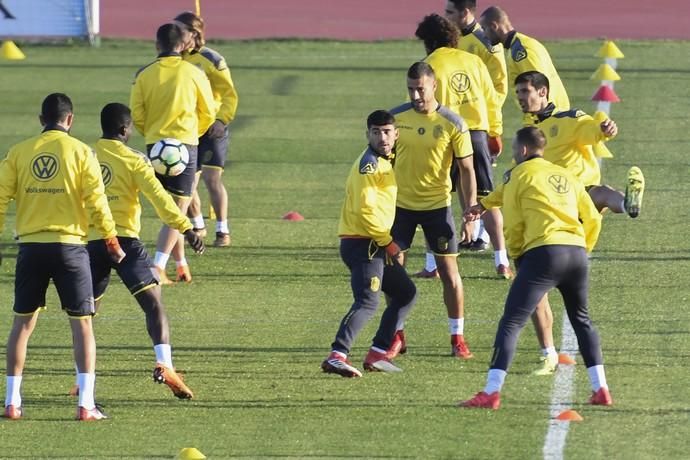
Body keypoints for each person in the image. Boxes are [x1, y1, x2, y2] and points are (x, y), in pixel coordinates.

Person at [482, 70, 645, 375]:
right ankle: (551, 355)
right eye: (517, 93)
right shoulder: (530, 130)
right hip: (555, 215)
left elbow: (591, 128)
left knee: (597, 191)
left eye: (525, 92)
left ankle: (627, 203)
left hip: (571, 200)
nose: (520, 98)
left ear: (544, 92)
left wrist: (604, 128)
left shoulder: (568, 120)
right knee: (552, 298)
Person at [460, 126, 613, 409]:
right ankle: (601, 388)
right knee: (582, 320)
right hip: (577, 253)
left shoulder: (519, 175)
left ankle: (491, 392)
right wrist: (584, 248)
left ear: (522, 150)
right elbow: (592, 216)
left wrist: (518, 255)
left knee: (512, 322)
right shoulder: (566, 175)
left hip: (543, 254)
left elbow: (514, 222)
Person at [0, 93, 123, 421]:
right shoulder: (83, 152)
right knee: (82, 326)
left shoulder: (19, 152)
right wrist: (111, 240)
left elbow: (0, 199)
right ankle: (86, 405)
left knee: (22, 326)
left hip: (31, 249)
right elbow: (98, 201)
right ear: (70, 120)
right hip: (70, 248)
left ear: (41, 120)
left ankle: (12, 403)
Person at [88, 102, 205, 399]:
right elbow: (161, 200)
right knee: (154, 304)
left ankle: (83, 380)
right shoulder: (134, 160)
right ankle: (165, 364)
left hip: (89, 243)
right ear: (125, 130)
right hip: (125, 242)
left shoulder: (84, 156)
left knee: (86, 315)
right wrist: (187, 228)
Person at [387, 62, 477, 359]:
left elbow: (466, 170)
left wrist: (470, 213)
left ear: (433, 86)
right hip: (400, 209)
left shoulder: (453, 123)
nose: (415, 95)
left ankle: (457, 338)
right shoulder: (396, 118)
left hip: (438, 209)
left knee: (449, 274)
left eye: (420, 89)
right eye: (410, 89)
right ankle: (396, 335)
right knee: (393, 273)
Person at [413, 13, 512, 280]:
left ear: (429, 41)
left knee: (435, 199)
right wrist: (495, 133)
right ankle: (501, 260)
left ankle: (433, 265)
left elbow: (421, 107)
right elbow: (491, 100)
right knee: (488, 198)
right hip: (477, 133)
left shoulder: (428, 66)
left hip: (443, 136)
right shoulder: (474, 61)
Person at [321, 110, 417, 377]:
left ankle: (377, 353)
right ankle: (337, 355)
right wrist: (389, 243)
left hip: (374, 243)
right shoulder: (370, 165)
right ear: (368, 135)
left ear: (396, 134)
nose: (382, 137)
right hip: (363, 244)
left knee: (405, 293)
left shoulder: (386, 161)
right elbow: (366, 211)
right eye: (376, 132)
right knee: (367, 301)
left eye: (387, 132)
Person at [130, 23, 215, 285]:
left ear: (157, 44)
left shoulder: (144, 75)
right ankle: (157, 266)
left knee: (169, 210)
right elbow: (209, 113)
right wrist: (192, 133)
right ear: (183, 45)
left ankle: (180, 264)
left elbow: (137, 114)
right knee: (177, 211)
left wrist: (152, 135)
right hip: (185, 147)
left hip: (154, 147)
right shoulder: (194, 73)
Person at [174, 11, 239, 248]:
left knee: (212, 179)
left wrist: (221, 120)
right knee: (188, 184)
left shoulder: (211, 59)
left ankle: (223, 230)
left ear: (194, 33)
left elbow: (230, 94)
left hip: (212, 129)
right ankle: (197, 226)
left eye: (179, 30)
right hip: (187, 130)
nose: (175, 35)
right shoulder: (173, 59)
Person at [478, 6, 569, 111]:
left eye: (484, 29)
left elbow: (535, 89)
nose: (484, 35)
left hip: (546, 116)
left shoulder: (520, 51)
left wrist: (537, 120)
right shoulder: (521, 44)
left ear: (494, 26)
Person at [444, 0, 508, 109]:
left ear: (464, 13)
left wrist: (483, 117)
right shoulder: (448, 38)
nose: (445, 17)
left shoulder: (487, 43)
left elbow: (499, 88)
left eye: (450, 12)